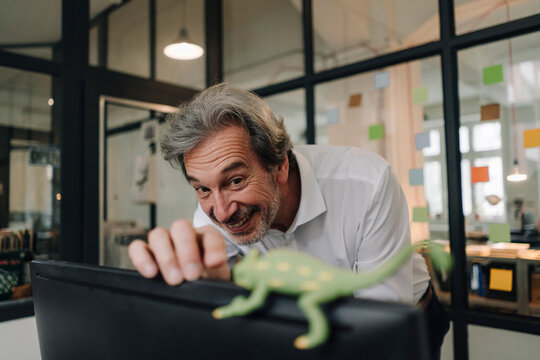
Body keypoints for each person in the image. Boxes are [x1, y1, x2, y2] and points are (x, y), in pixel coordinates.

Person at [128, 83, 449, 359]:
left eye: (236, 180)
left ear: (279, 166)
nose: (222, 212)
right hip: (304, 321)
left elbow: (379, 325)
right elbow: (212, 314)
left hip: (404, 314)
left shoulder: (366, 182)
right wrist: (188, 283)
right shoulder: (211, 217)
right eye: (202, 188)